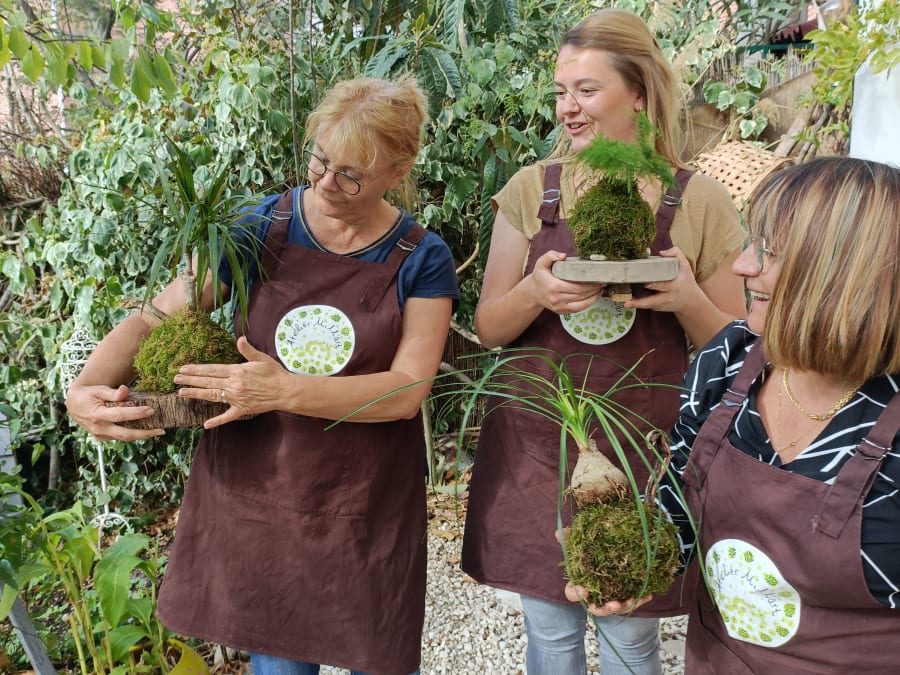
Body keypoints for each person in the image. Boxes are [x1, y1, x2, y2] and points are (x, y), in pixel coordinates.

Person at [65, 75, 459, 675]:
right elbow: (159, 314)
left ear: (398, 171)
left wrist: (283, 390)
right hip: (260, 495)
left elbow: (406, 390)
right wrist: (84, 387)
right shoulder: (262, 226)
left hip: (363, 499)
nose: (325, 183)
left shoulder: (420, 257)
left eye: (351, 174)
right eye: (320, 160)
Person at [460, 8, 747, 675]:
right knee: (552, 637)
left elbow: (737, 348)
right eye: (561, 91)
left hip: (650, 445)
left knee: (632, 639)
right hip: (543, 448)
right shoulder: (534, 189)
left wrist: (686, 300)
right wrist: (534, 292)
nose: (567, 107)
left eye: (585, 90)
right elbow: (490, 327)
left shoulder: (699, 201)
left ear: (638, 93)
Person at [573, 156, 900, 673]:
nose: (743, 266)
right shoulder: (731, 360)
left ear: (845, 275)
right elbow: (678, 498)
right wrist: (631, 560)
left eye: (768, 252)